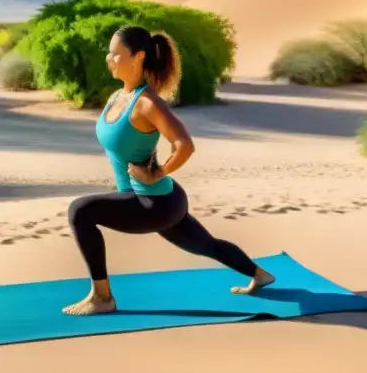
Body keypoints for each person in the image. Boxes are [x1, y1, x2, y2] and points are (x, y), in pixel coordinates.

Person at [62, 25, 274, 316]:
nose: (109, 59)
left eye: (115, 54)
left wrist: (157, 173)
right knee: (205, 245)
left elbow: (184, 144)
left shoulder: (147, 103)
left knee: (80, 211)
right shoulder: (117, 96)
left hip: (154, 203)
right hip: (158, 199)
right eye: (108, 54)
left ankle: (102, 299)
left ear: (137, 57)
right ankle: (260, 274)